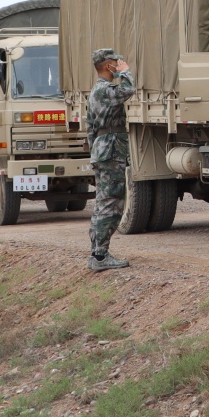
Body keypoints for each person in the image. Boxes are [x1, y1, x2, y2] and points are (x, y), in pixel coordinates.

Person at [84, 47, 135, 273]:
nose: (119, 64)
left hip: (102, 149)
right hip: (111, 150)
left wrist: (96, 150)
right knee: (111, 204)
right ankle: (100, 256)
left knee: (102, 203)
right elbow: (128, 89)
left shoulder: (96, 91)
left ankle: (97, 253)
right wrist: (126, 72)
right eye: (116, 62)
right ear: (108, 65)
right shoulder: (105, 90)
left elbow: (90, 128)